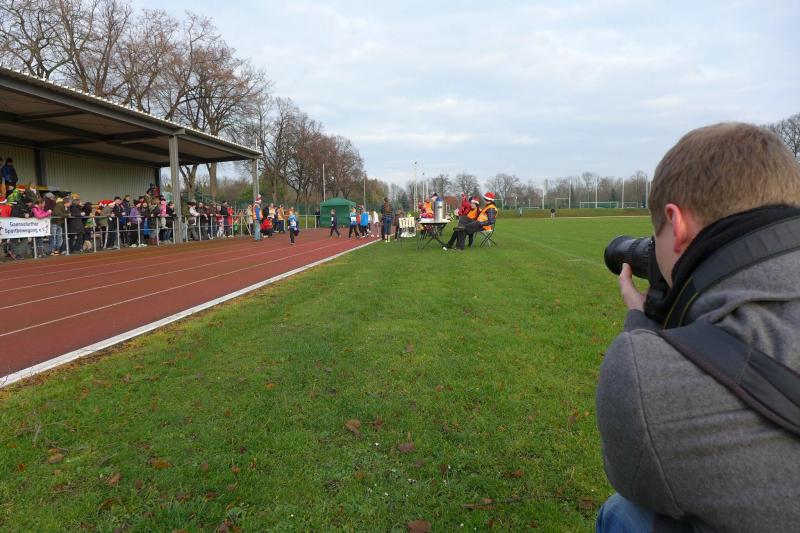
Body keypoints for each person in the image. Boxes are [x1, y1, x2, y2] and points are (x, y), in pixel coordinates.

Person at [595, 123, 800, 533]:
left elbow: (634, 476)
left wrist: (643, 325)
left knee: (620, 513)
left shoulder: (643, 375)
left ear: (676, 223)